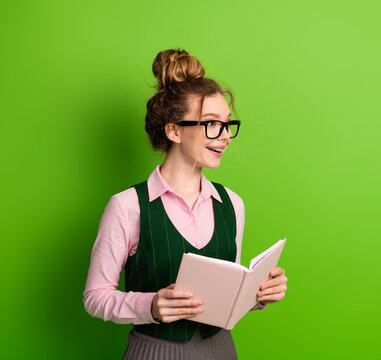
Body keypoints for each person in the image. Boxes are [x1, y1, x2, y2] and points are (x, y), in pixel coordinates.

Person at [83, 48, 288, 360]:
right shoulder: (127, 207)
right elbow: (95, 296)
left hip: (221, 351)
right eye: (210, 123)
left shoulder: (232, 204)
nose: (224, 137)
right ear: (174, 129)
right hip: (153, 352)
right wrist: (149, 305)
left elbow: (225, 295)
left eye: (227, 124)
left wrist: (258, 294)